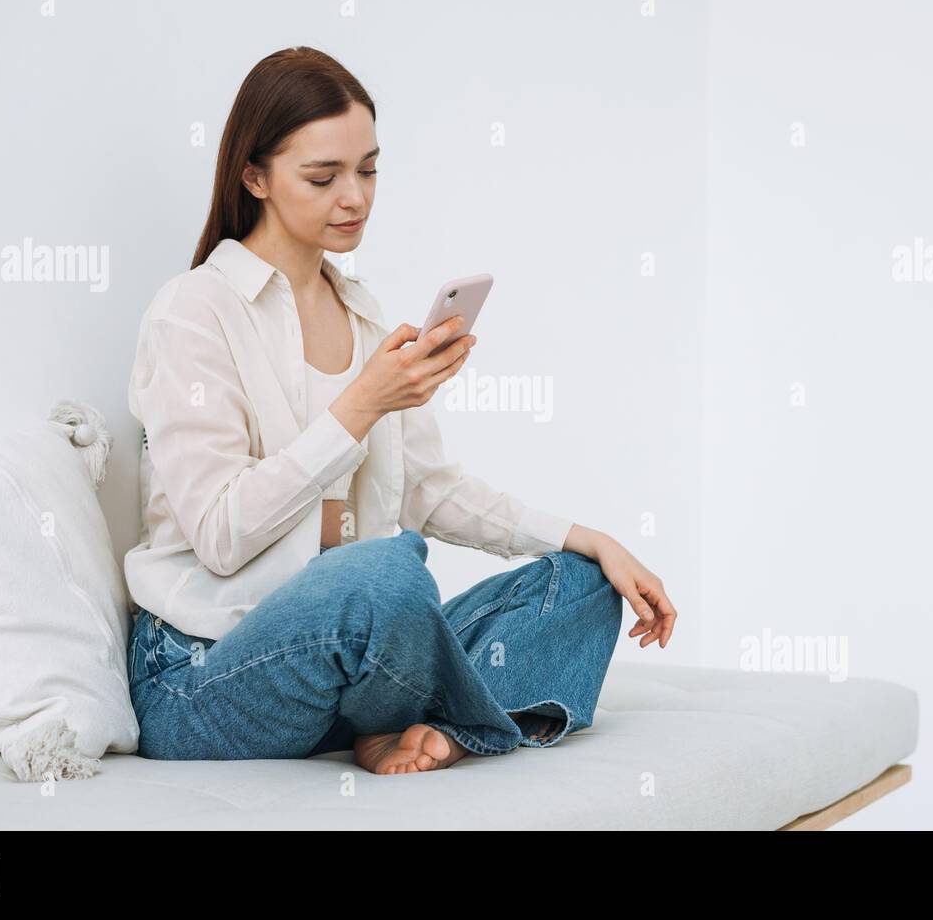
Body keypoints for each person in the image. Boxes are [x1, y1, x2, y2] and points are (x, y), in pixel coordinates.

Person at [124, 46, 677, 774]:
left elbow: (428, 490)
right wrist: (362, 406)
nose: (354, 197)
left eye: (368, 169)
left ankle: (431, 731)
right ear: (253, 176)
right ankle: (444, 713)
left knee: (578, 584)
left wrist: (589, 539)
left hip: (346, 665)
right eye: (322, 176)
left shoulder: (363, 316)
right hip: (207, 675)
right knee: (384, 576)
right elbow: (221, 534)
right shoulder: (193, 313)